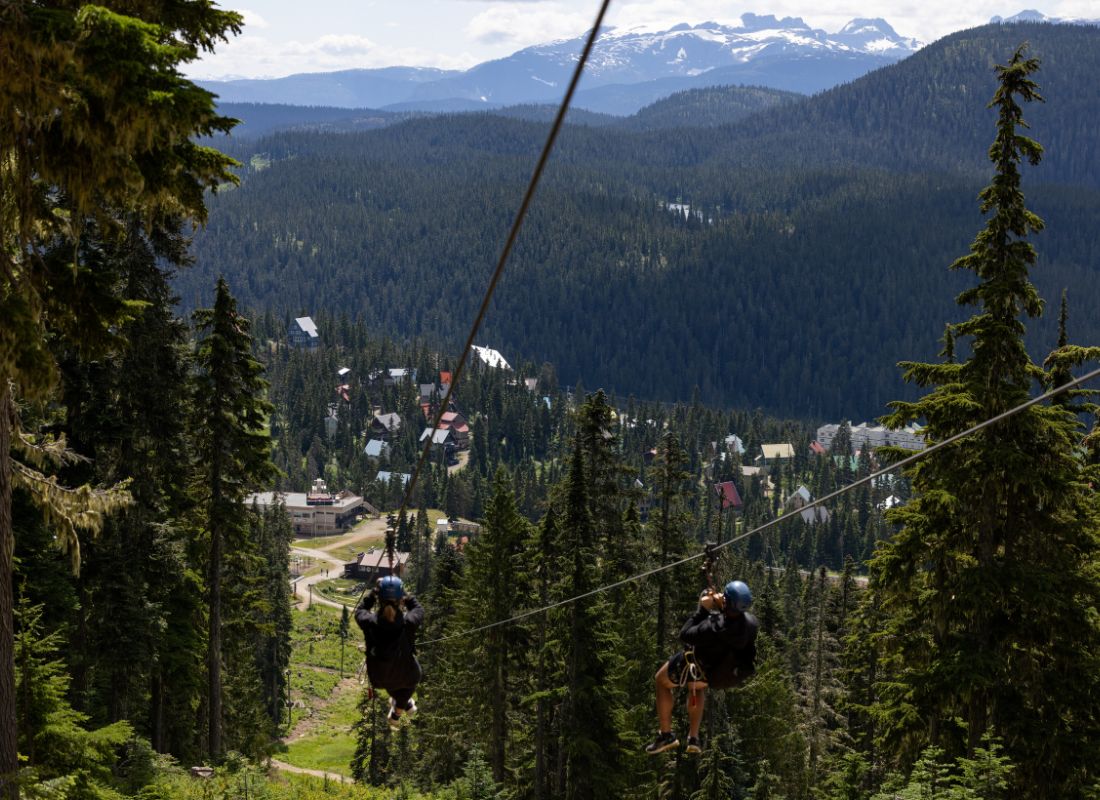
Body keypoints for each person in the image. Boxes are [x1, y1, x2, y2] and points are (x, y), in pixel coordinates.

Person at [645, 579, 758, 755]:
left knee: (661, 681)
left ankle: (666, 735)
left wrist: (702, 609)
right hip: (713, 672)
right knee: (696, 688)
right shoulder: (751, 624)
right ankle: (693, 738)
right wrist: (723, 607)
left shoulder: (712, 627)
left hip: (694, 664)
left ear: (727, 603)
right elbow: (730, 623)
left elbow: (686, 634)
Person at [355, 574, 424, 726]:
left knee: (391, 680)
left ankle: (402, 707)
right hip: (406, 676)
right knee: (410, 678)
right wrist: (405, 595)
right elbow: (418, 609)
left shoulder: (369, 622)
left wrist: (373, 594)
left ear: (380, 599)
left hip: (379, 678)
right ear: (400, 600)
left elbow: (360, 610)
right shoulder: (408, 623)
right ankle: (400, 708)